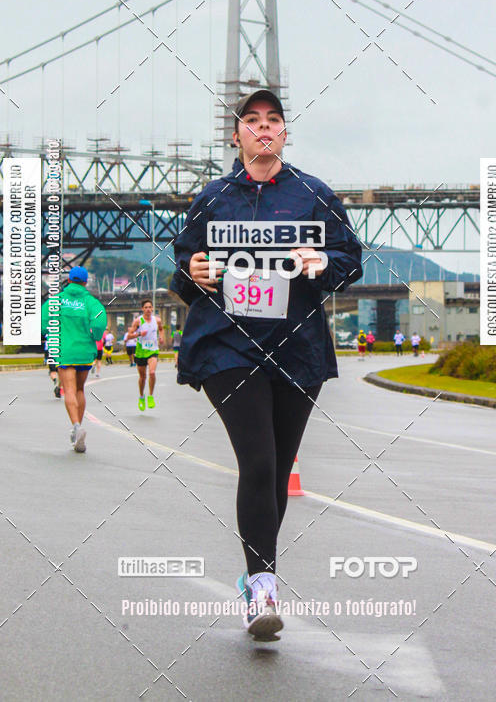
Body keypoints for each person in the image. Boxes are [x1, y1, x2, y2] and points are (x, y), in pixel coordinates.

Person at [171, 90, 362, 641]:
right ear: (236, 137)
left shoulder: (314, 194)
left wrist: (322, 261)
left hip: (296, 347)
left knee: (276, 472)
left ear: (284, 134)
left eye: (271, 121)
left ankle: (257, 570)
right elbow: (182, 273)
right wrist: (196, 271)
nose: (262, 129)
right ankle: (262, 590)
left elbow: (350, 262)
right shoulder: (212, 199)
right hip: (227, 347)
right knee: (257, 463)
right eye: (250, 122)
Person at [41, 266, 107, 452]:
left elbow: (43, 321)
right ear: (85, 282)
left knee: (68, 389)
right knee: (79, 389)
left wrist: (51, 333)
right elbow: (100, 321)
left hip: (64, 351)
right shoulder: (90, 302)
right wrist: (95, 336)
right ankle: (79, 429)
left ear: (69, 280)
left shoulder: (57, 300)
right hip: (85, 351)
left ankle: (76, 426)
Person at [127, 299, 165, 410]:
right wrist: (139, 333)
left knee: (152, 373)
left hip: (153, 349)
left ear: (152, 308)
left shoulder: (157, 320)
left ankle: (151, 396)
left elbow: (161, 329)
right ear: (142, 309)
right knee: (142, 377)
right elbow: (129, 336)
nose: (148, 309)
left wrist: (161, 337)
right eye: (146, 307)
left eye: (150, 307)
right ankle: (141, 396)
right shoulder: (138, 321)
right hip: (141, 351)